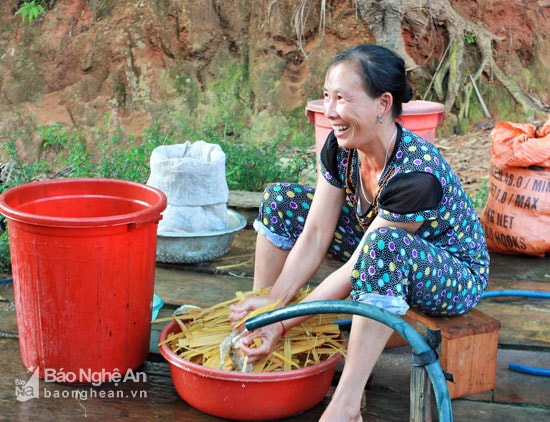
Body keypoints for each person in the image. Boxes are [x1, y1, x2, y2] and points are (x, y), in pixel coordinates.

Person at [229, 44, 489, 421]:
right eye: (326, 96)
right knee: (282, 199)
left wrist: (286, 321)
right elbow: (317, 231)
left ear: (383, 104)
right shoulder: (342, 146)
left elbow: (357, 265)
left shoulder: (417, 175)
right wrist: (275, 305)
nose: (330, 111)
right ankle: (262, 316)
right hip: (381, 243)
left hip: (451, 272)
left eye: (343, 99)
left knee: (382, 249)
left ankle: (346, 404)